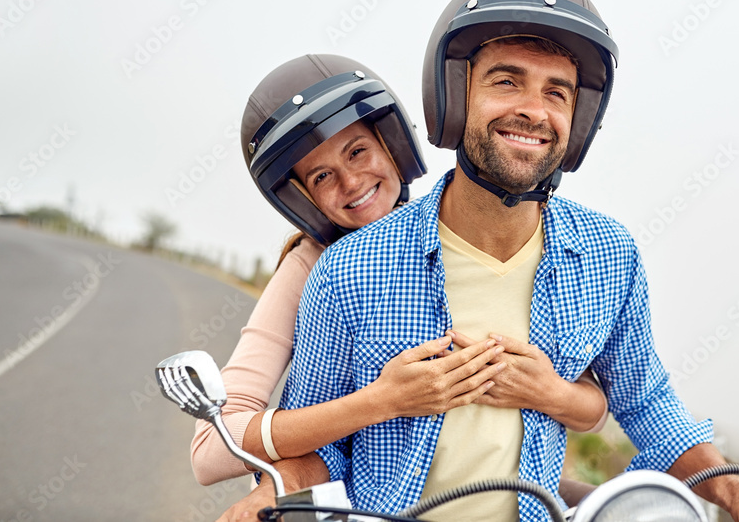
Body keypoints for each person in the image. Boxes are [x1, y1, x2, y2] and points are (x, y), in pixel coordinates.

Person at [237, 0, 739, 522]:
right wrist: (271, 493)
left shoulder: (609, 254)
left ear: (576, 121)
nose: (534, 110)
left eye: (556, 92)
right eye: (507, 81)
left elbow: (649, 406)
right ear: (454, 99)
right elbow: (317, 438)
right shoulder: (349, 268)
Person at [188, 55, 609, 502]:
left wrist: (550, 393)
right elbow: (212, 451)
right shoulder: (313, 266)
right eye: (322, 175)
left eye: (357, 151)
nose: (351, 182)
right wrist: (381, 401)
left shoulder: (454, 225)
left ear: (391, 144)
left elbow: (591, 401)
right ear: (303, 198)